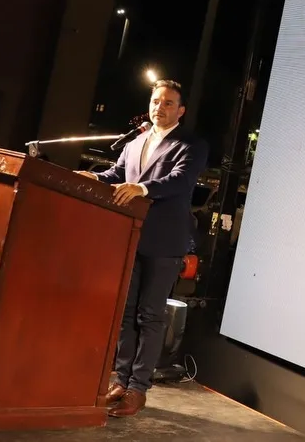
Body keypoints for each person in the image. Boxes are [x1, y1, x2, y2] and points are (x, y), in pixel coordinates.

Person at [77, 79, 208, 417]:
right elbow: (118, 173)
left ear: (181, 110)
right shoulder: (136, 142)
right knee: (126, 312)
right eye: (155, 101)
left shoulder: (191, 144)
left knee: (150, 315)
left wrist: (142, 188)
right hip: (130, 236)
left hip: (164, 241)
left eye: (168, 103)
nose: (159, 107)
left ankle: (138, 388)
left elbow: (180, 180)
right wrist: (96, 178)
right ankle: (121, 380)